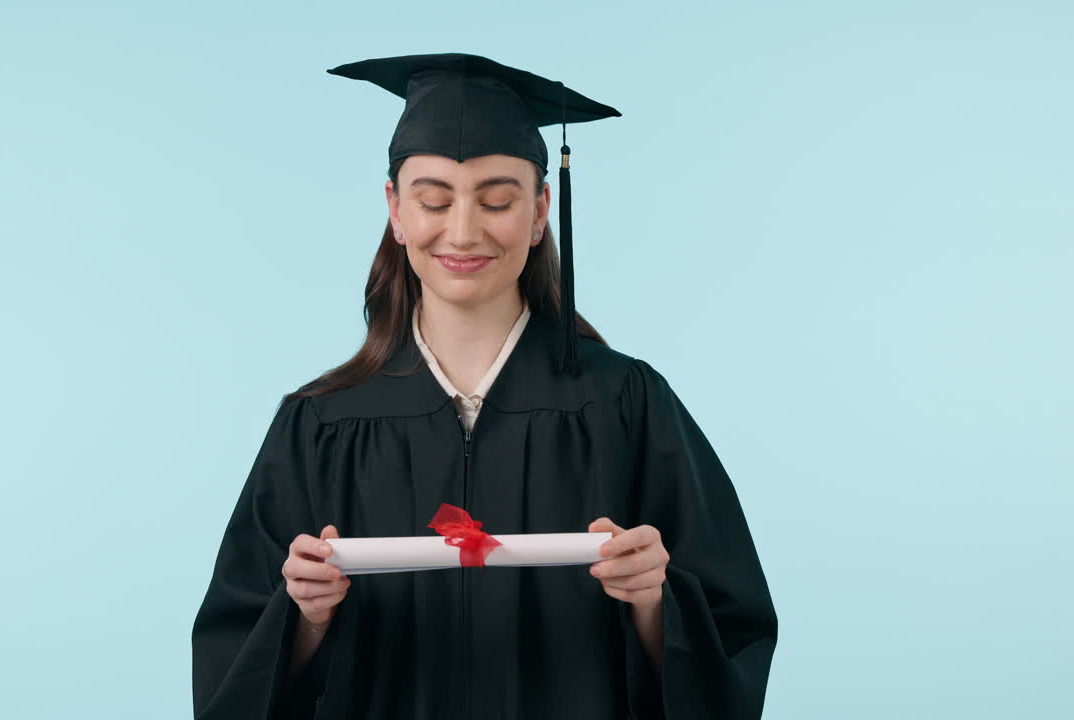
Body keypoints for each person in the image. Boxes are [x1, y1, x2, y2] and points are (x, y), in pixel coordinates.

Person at [191, 52, 777, 720]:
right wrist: (305, 618)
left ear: (539, 212)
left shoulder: (626, 406)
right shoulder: (320, 424)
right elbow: (233, 663)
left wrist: (653, 601)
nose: (463, 230)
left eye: (497, 200)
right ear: (396, 211)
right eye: (434, 200)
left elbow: (733, 638)